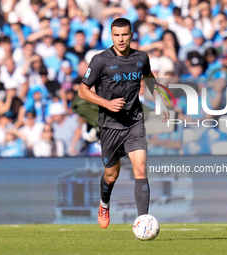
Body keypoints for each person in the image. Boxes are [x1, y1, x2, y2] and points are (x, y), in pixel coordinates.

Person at [78, 18, 169, 229]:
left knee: (140, 169)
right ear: (111, 36)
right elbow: (83, 90)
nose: (121, 39)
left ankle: (143, 222)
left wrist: (161, 104)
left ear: (131, 35)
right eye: (117, 35)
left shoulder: (141, 57)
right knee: (111, 175)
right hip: (110, 126)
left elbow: (150, 79)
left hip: (134, 122)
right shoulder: (100, 60)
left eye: (125, 35)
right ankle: (104, 203)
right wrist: (106, 103)